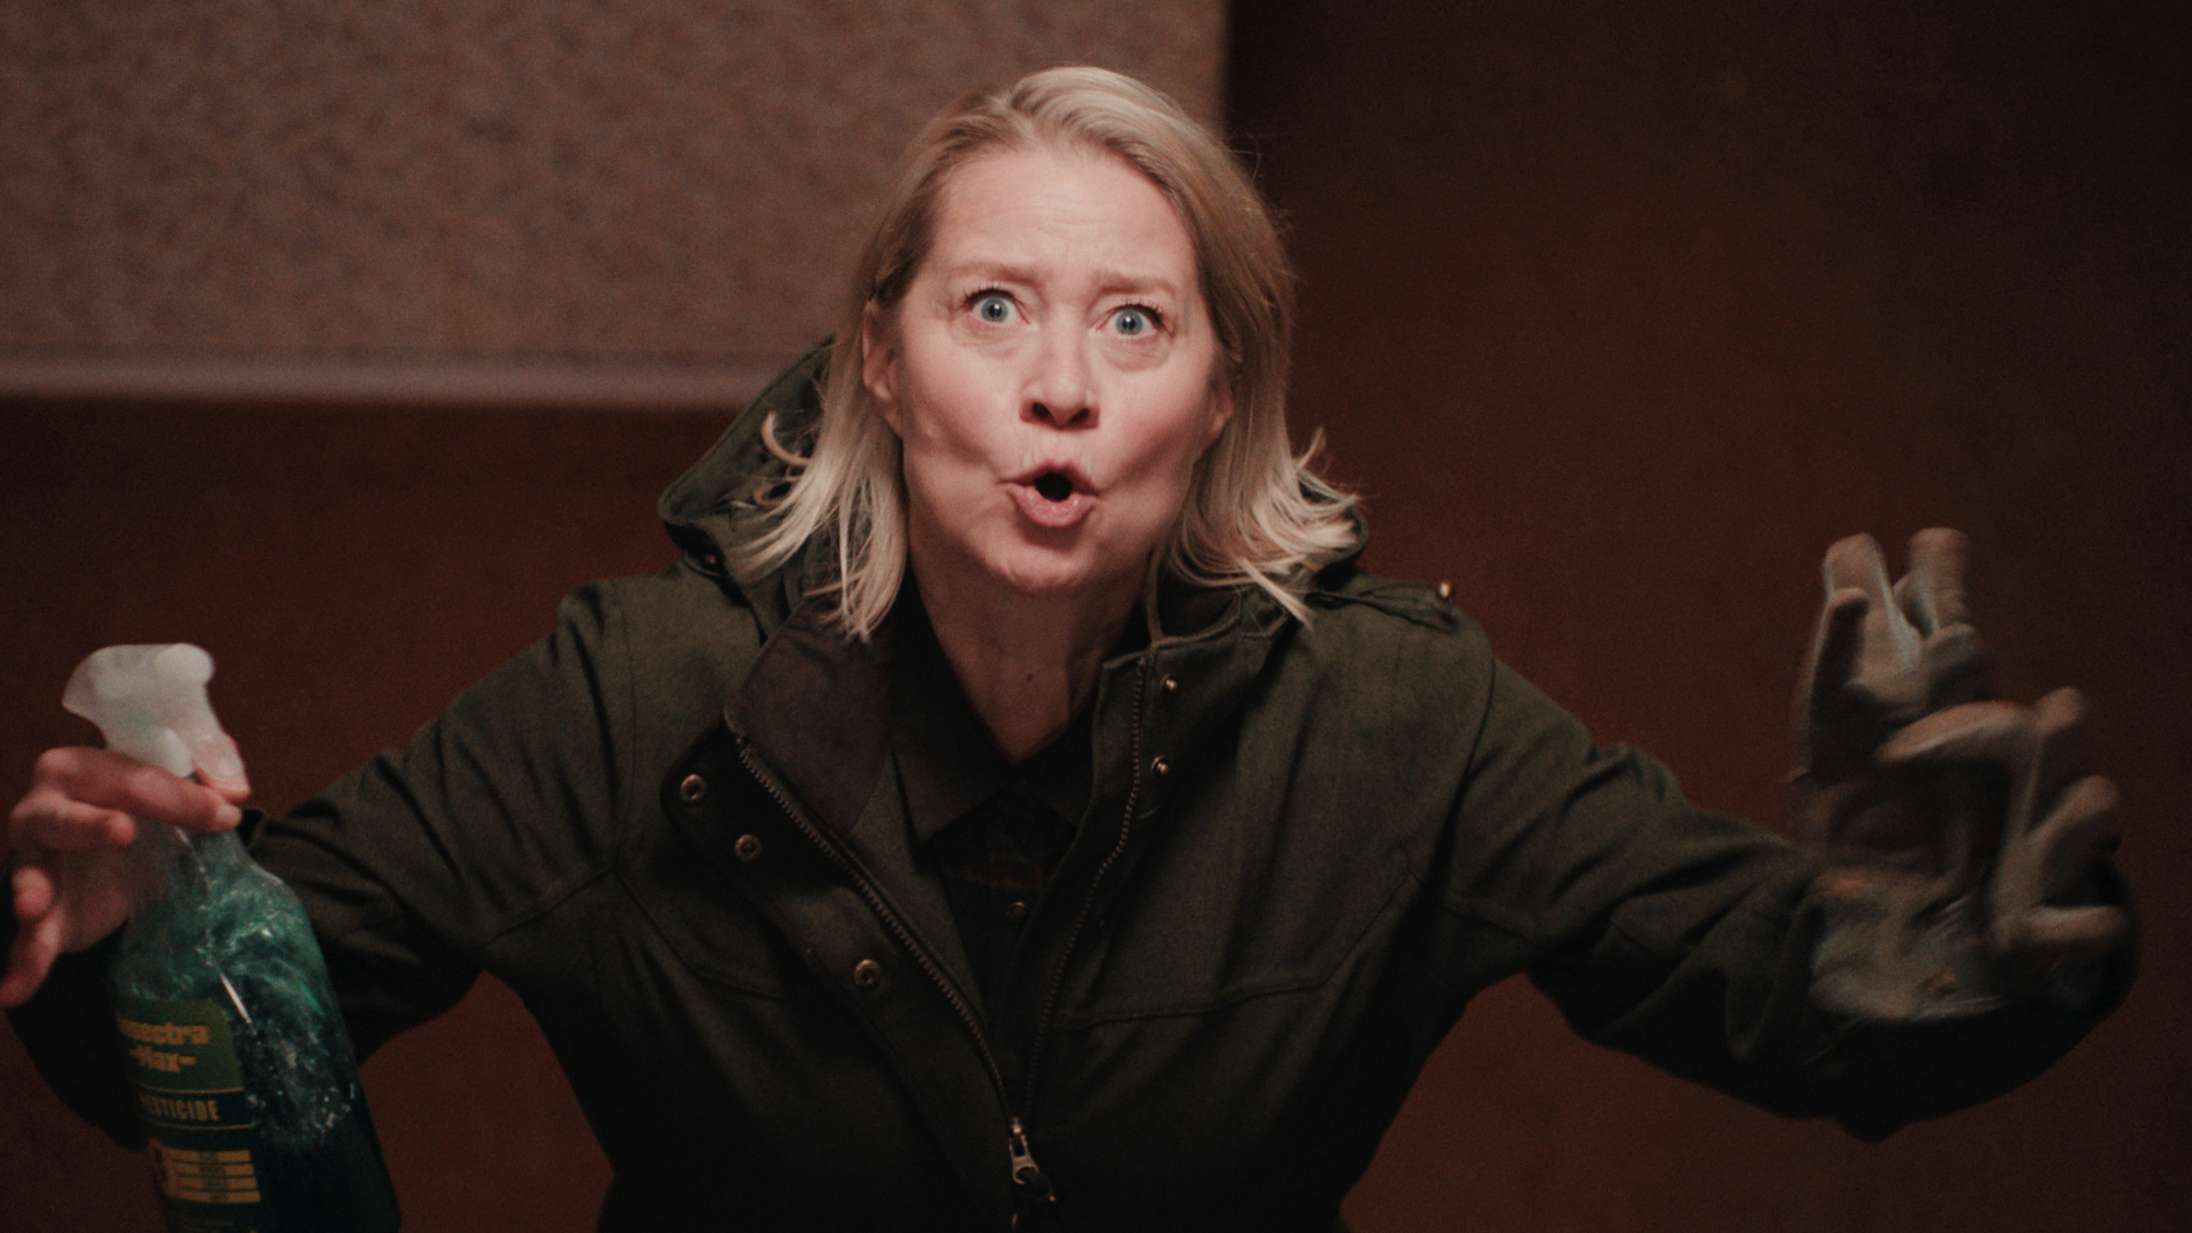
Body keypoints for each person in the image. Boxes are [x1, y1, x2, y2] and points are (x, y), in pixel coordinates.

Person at [2, 66, 2133, 1231]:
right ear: (880, 362)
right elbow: (229, 1015)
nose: (1060, 381)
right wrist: (121, 939)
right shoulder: (633, 698)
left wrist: (1925, 954)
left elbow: (1770, 981)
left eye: (1135, 319)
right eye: (993, 306)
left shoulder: (1395, 721)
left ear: (1218, 395)